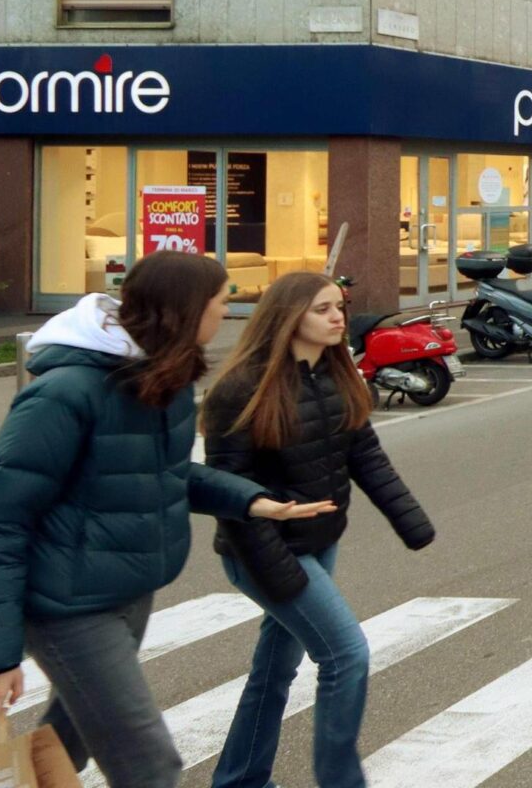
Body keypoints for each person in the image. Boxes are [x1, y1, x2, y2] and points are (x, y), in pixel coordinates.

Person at [0, 253, 336, 788]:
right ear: (186, 309)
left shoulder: (165, 381)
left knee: (68, 741)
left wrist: (252, 500)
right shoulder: (65, 394)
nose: (228, 312)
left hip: (126, 589)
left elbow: (168, 474)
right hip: (68, 606)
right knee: (150, 766)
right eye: (223, 301)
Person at [202, 272, 434, 788]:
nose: (337, 318)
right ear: (288, 318)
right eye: (322, 309)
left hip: (318, 542)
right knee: (346, 655)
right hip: (261, 550)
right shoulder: (242, 389)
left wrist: (410, 520)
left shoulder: (334, 376)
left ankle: (239, 780)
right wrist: (279, 573)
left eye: (339, 308)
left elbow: (366, 457)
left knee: (274, 671)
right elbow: (227, 491)